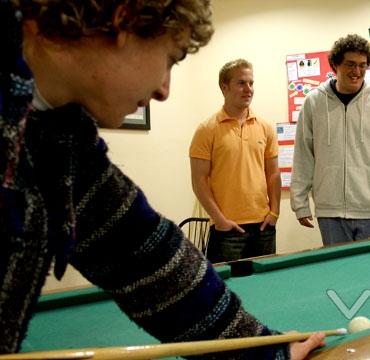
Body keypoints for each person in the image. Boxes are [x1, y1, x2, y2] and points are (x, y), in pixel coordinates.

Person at [0, 0, 322, 358]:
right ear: (123, 21)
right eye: (169, 60)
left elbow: (150, 259)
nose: (164, 90)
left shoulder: (62, 142)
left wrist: (268, 353)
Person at [290, 34, 370, 245]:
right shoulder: (313, 102)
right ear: (335, 65)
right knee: (339, 276)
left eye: (362, 65)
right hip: (330, 213)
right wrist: (299, 202)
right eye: (350, 64)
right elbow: (303, 155)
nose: (356, 72)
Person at [190, 59, 280, 263]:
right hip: (227, 230)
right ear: (224, 87)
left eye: (251, 83)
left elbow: (273, 174)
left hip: (263, 226)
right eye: (241, 83)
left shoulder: (265, 127)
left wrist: (274, 212)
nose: (248, 89)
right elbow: (199, 180)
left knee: (267, 287)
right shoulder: (206, 130)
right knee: (225, 291)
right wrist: (220, 220)